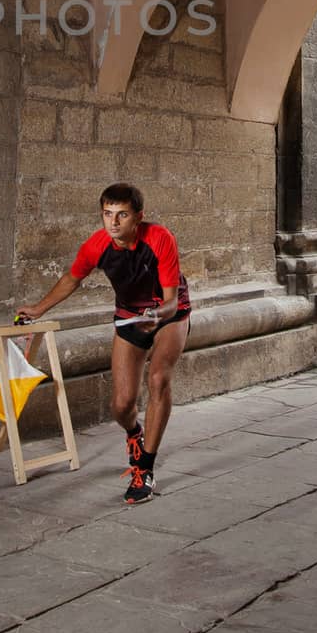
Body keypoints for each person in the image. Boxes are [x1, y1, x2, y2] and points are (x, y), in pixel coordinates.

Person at [16, 182, 190, 504]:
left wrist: (156, 314)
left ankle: (145, 470)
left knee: (158, 379)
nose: (113, 222)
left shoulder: (160, 238)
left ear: (139, 216)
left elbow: (170, 301)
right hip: (128, 317)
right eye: (108, 214)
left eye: (122, 215)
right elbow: (72, 278)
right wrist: (38, 309)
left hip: (168, 315)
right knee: (121, 406)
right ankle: (135, 435)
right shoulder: (98, 244)